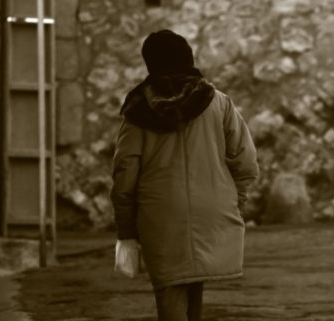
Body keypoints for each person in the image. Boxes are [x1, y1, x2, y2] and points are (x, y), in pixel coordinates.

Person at [111, 29, 259, 321]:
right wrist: (234, 202)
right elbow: (246, 161)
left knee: (170, 291)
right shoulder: (218, 102)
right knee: (194, 285)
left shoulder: (138, 111)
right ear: (187, 58)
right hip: (213, 208)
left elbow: (124, 175)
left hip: (160, 216)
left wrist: (126, 232)